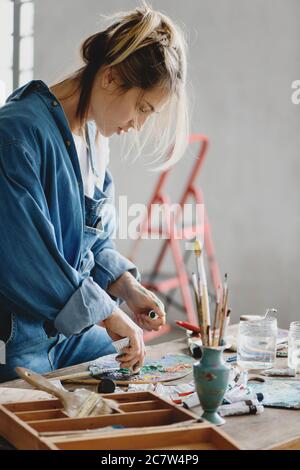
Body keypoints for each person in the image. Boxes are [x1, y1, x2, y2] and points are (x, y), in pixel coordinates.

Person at [0, 2, 189, 382]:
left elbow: (94, 242)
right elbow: (27, 262)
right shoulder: (17, 134)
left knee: (142, 384)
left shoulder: (93, 140)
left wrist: (127, 287)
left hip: (71, 333)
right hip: (22, 339)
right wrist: (107, 312)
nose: (136, 125)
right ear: (111, 79)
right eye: (141, 108)